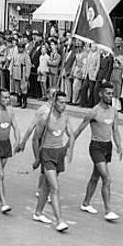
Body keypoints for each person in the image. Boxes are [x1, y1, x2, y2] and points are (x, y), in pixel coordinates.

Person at [72, 82, 123, 221]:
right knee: (107, 178)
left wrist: (119, 146)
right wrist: (68, 146)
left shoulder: (114, 111)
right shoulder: (94, 112)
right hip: (96, 147)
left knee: (95, 177)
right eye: (107, 93)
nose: (110, 96)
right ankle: (108, 211)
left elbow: (115, 130)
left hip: (107, 147)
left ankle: (85, 203)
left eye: (112, 93)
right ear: (100, 93)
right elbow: (79, 129)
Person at [31, 91, 74, 232]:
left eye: (65, 102)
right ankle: (59, 221)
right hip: (47, 153)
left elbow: (71, 135)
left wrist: (69, 150)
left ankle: (38, 213)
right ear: (54, 103)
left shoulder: (66, 117)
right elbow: (35, 139)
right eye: (61, 102)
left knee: (46, 187)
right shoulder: (45, 118)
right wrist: (37, 158)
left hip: (59, 152)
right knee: (55, 187)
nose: (64, 105)